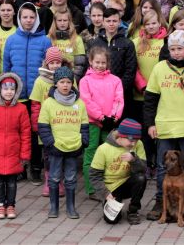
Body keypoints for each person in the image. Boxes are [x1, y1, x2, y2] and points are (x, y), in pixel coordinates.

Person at [144, 30, 184, 223]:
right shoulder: (159, 69)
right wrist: (150, 124)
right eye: (172, 49)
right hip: (164, 126)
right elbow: (150, 99)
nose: (176, 52)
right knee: (162, 168)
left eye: (180, 48)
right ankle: (160, 202)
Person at [3, 2, 52, 184]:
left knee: (35, 133)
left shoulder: (45, 40)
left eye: (32, 17)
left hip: (37, 96)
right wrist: (8, 90)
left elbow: (49, 68)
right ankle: (20, 167)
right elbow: (7, 67)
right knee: (18, 133)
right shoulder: (11, 40)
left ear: (36, 19)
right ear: (19, 18)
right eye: (25, 17)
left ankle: (36, 168)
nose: (28, 20)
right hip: (17, 95)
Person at [38, 66, 90, 219]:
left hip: (74, 146)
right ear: (56, 84)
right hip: (55, 147)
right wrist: (50, 142)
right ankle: (54, 207)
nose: (65, 85)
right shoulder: (49, 103)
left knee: (71, 178)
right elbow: (43, 126)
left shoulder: (79, 103)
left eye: (68, 82)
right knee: (54, 178)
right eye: (62, 82)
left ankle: (71, 207)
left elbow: (84, 125)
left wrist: (83, 141)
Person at [0, 73, 32, 219]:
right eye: (5, 89)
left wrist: (24, 155)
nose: (9, 92)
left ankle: (11, 205)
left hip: (14, 153)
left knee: (12, 183)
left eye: (12, 89)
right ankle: (0, 206)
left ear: (16, 90)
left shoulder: (21, 109)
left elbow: (26, 134)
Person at [80, 47, 124, 200]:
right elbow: (86, 101)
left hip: (109, 123)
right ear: (91, 62)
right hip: (92, 122)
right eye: (97, 62)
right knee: (91, 153)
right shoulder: (85, 81)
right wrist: (101, 117)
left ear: (108, 63)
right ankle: (92, 189)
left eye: (103, 62)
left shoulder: (115, 80)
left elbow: (118, 100)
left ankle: (110, 187)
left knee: (110, 154)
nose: (100, 65)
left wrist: (113, 117)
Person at [89, 119, 148, 225]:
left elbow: (143, 169)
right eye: (131, 140)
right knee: (112, 220)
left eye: (136, 140)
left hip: (128, 182)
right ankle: (114, 204)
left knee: (141, 178)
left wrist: (134, 160)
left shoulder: (138, 144)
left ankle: (133, 210)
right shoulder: (103, 149)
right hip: (111, 188)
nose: (133, 143)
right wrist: (105, 193)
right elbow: (94, 175)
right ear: (121, 135)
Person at [30, 47, 71, 197]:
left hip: (63, 123)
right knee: (48, 155)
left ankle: (60, 181)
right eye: (51, 63)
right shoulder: (40, 81)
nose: (54, 66)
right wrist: (36, 124)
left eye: (57, 62)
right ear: (46, 63)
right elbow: (35, 104)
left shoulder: (68, 78)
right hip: (46, 125)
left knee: (62, 153)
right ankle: (49, 181)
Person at [93, 8, 138, 120]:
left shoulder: (128, 44)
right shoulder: (95, 43)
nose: (111, 24)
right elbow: (91, 68)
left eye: (114, 21)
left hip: (121, 93)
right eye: (108, 21)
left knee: (118, 124)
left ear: (119, 22)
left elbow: (130, 71)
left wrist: (117, 89)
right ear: (103, 22)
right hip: (99, 93)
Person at [48, 8, 87, 80]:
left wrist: (72, 79)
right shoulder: (48, 38)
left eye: (65, 20)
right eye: (59, 20)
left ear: (69, 21)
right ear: (55, 22)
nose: (62, 23)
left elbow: (80, 65)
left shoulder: (77, 39)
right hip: (51, 78)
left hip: (69, 78)